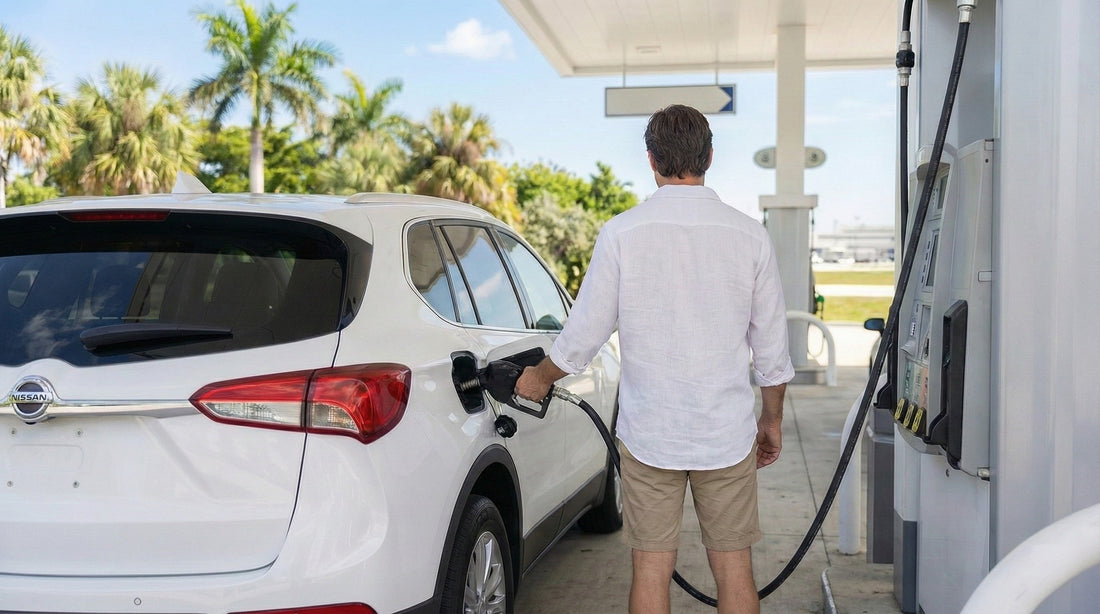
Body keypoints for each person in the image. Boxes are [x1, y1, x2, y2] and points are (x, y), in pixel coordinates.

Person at [514, 104, 794, 614]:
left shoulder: (623, 232)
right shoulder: (749, 234)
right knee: (734, 567)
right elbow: (772, 350)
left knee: (650, 569)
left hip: (649, 436)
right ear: (710, 156)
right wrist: (770, 421)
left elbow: (584, 332)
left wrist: (539, 376)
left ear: (650, 159)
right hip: (726, 436)